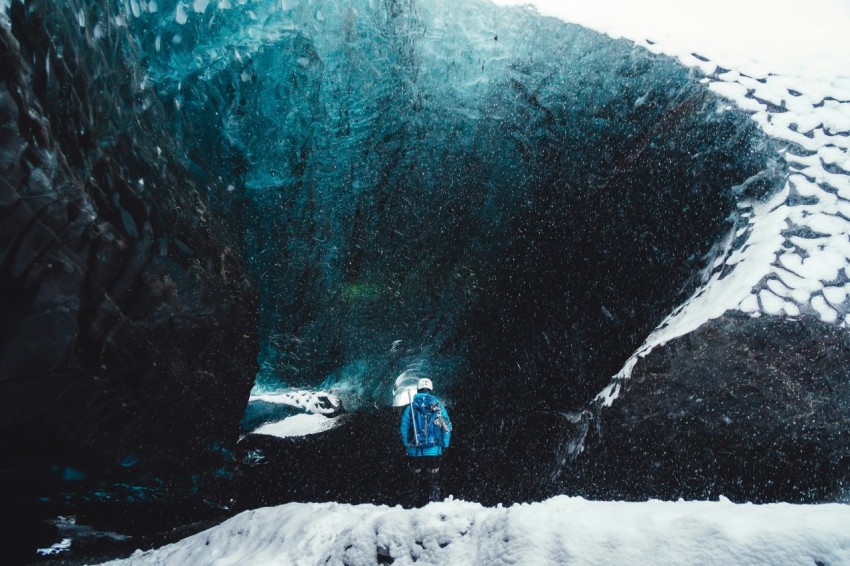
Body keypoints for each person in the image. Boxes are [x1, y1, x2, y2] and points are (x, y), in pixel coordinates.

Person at [399, 377, 452, 507]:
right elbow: (447, 427)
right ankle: (434, 505)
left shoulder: (411, 407)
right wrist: (445, 445)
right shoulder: (438, 406)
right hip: (434, 450)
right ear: (431, 389)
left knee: (413, 480)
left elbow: (404, 427)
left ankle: (410, 506)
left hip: (415, 451)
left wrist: (407, 445)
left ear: (418, 389)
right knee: (433, 481)